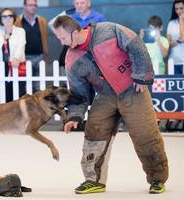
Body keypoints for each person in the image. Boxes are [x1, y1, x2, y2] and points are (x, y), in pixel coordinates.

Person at [53, 15, 169, 194]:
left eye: (62, 38)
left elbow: (136, 45)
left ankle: (157, 179)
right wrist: (75, 116)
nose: (62, 43)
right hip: (106, 95)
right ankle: (94, 180)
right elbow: (78, 91)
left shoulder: (108, 30)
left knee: (145, 135)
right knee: (94, 133)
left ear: (75, 33)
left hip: (132, 88)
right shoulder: (71, 58)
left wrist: (141, 76)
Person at [49, 0, 106, 69]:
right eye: (77, 3)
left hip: (92, 51)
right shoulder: (69, 18)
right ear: (74, 5)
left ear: (88, 3)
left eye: (82, 3)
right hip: (73, 50)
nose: (79, 5)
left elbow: (104, 35)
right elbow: (51, 24)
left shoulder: (99, 17)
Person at [0, 8, 26, 102]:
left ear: (14, 18)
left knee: (18, 97)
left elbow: (21, 46)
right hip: (2, 68)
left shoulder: (20, 31)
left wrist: (16, 58)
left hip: (16, 67)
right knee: (5, 98)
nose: (7, 18)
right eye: (4, 16)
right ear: (1, 19)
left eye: (10, 16)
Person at [15, 0, 49, 93]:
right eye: (30, 5)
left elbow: (44, 39)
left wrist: (45, 54)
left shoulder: (42, 21)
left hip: (39, 56)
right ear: (25, 6)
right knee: (27, 86)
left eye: (35, 5)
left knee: (39, 86)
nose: (33, 7)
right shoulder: (18, 21)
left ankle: (39, 107)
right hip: (25, 57)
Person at [167, 0, 184, 75]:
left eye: (181, 8)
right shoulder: (171, 23)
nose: (179, 11)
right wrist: (178, 41)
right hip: (174, 61)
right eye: (176, 9)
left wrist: (181, 22)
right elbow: (169, 44)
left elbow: (182, 37)